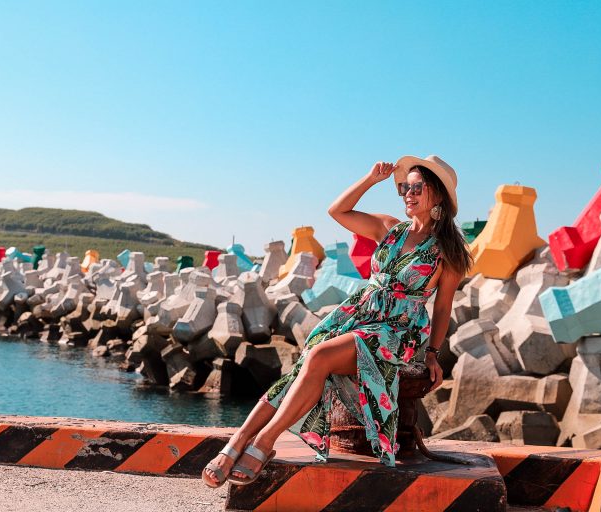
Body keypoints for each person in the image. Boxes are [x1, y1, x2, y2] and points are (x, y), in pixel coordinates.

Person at [202, 155, 473, 487]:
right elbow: (337, 211)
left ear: (439, 195)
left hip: (398, 331)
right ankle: (239, 439)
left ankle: (264, 442)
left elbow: (443, 307)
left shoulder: (449, 252)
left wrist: (432, 354)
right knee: (304, 366)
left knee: (318, 356)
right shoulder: (390, 228)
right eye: (405, 187)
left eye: (418, 187)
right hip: (358, 314)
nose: (408, 194)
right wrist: (370, 180)